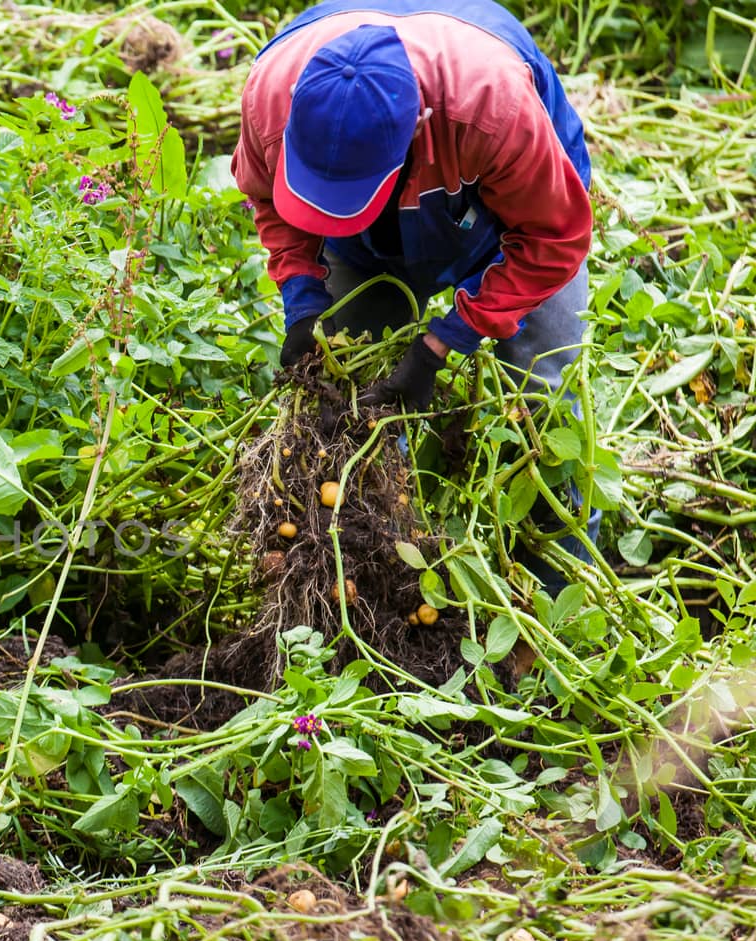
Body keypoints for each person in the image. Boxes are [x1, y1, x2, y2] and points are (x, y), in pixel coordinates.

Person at [231, 0, 601, 576]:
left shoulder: (492, 107)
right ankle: (383, 581)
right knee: (352, 408)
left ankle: (557, 607)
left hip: (519, 222)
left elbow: (552, 238)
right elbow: (268, 201)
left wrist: (442, 343)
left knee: (540, 408)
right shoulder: (271, 97)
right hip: (372, 240)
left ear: (418, 129)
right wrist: (303, 302)